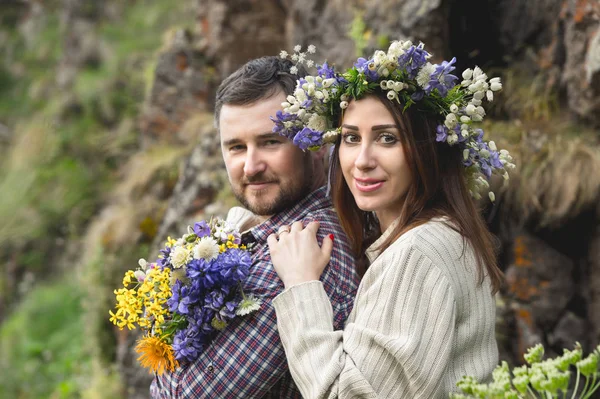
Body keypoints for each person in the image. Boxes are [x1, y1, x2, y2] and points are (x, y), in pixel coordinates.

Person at [268, 40, 514, 398]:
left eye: (387, 138)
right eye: (351, 138)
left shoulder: (417, 252)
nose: (362, 160)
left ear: (427, 149)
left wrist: (301, 285)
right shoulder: (445, 235)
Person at [150, 56, 360, 398]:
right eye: (236, 147)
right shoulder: (274, 232)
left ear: (317, 143)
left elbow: (188, 396)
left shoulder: (302, 250)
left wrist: (161, 355)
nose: (251, 167)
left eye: (270, 142)